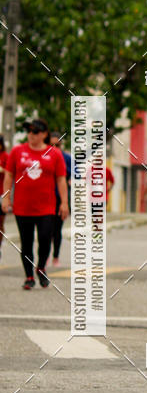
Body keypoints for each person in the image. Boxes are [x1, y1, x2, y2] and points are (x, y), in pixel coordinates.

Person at [2, 118, 69, 289]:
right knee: (26, 243)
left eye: (35, 131)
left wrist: (64, 202)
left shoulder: (54, 154)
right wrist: (6, 197)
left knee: (45, 239)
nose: (31, 134)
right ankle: (29, 276)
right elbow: (9, 175)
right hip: (23, 207)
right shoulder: (17, 151)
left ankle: (41, 267)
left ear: (44, 134)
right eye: (29, 131)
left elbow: (61, 179)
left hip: (46, 207)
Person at [49, 131, 72, 266]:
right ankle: (44, 255)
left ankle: (55, 256)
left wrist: (61, 170)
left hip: (60, 198)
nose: (54, 148)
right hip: (45, 198)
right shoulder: (43, 156)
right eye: (51, 145)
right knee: (45, 229)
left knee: (57, 229)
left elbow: (75, 172)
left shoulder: (66, 158)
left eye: (57, 145)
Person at [0, 135, 7, 262]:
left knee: (0, 222)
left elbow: (10, 173)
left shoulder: (5, 156)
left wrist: (3, 170)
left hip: (1, 193)